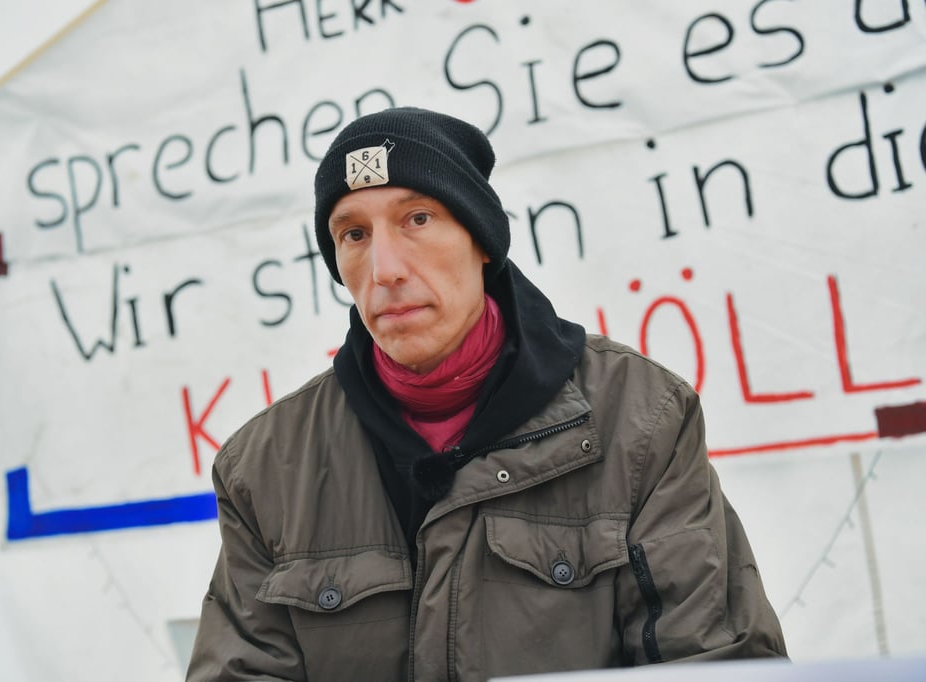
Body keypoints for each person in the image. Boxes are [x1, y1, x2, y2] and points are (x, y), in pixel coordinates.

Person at [186, 107, 787, 681]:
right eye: (353, 234)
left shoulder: (641, 417)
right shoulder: (264, 468)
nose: (386, 267)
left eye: (417, 219)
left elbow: (711, 659)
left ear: (481, 240)